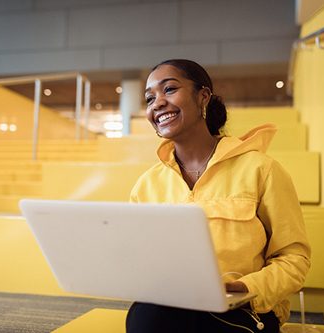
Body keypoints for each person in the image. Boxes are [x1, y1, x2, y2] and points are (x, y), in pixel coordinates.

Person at [125, 59, 311, 333]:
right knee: (146, 314)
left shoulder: (261, 169)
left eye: (170, 89)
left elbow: (294, 259)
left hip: (243, 312)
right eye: (150, 98)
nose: (158, 103)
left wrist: (244, 288)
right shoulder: (146, 185)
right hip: (172, 308)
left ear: (203, 97)